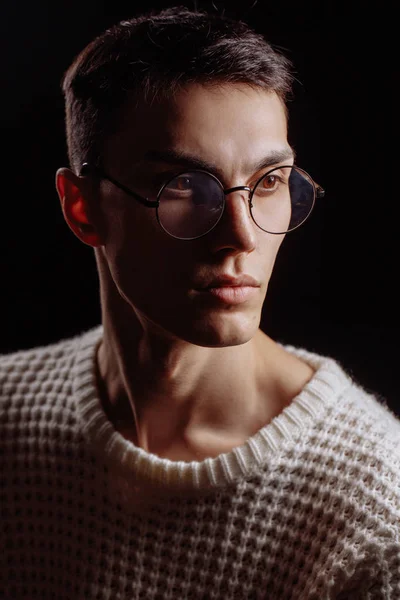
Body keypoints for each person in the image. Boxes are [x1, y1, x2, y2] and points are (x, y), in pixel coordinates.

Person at [1, 6, 399, 599]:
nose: (242, 235)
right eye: (184, 185)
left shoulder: (377, 512)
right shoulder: (7, 417)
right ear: (82, 208)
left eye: (269, 182)